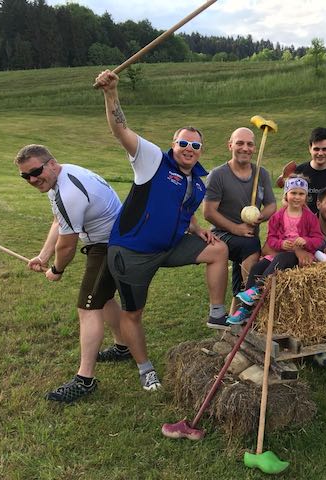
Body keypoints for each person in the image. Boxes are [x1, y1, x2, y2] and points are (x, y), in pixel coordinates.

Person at [94, 69, 229, 391]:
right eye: (183, 142)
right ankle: (145, 368)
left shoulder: (197, 179)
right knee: (134, 313)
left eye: (195, 145)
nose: (189, 148)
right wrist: (111, 94)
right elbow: (120, 130)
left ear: (201, 150)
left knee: (219, 250)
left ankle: (217, 313)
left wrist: (196, 229)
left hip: (170, 246)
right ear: (173, 144)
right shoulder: (152, 160)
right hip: (133, 253)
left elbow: (185, 209)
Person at [15, 144, 126, 403]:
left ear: (51, 164)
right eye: (25, 176)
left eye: (36, 171)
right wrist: (42, 256)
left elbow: (67, 244)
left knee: (88, 308)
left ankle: (84, 380)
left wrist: (56, 269)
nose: (32, 179)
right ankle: (123, 348)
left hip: (109, 244)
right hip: (110, 241)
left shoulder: (67, 191)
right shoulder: (59, 180)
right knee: (104, 298)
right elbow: (58, 221)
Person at [229, 175, 324, 324]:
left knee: (280, 260)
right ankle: (244, 309)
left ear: (306, 196)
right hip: (280, 252)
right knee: (257, 267)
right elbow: (271, 238)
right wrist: (281, 244)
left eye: (301, 194)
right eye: (293, 193)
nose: (297, 197)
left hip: (298, 257)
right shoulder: (278, 216)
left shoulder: (310, 218)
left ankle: (258, 289)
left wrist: (305, 241)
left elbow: (318, 239)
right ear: (286, 194)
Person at [203, 127, 276, 298]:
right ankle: (251, 304)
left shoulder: (261, 173)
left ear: (254, 148)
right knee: (249, 245)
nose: (245, 148)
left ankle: (240, 301)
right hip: (223, 234)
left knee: (246, 252)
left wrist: (261, 216)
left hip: (248, 234)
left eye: (250, 144)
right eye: (240, 143)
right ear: (230, 145)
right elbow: (209, 212)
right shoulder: (218, 175)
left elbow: (271, 205)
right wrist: (237, 229)